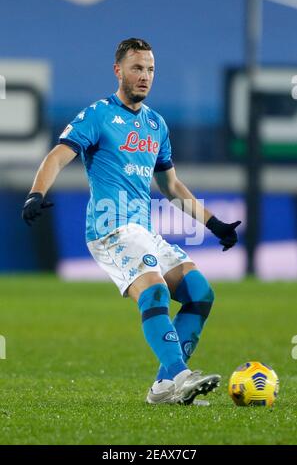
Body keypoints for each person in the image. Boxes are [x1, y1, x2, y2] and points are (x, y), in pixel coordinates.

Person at [22, 38, 241, 405]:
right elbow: (58, 157)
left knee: (200, 293)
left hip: (143, 229)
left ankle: (163, 387)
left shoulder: (156, 124)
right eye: (137, 68)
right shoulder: (98, 114)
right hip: (110, 229)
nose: (145, 76)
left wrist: (213, 223)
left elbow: (171, 185)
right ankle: (179, 373)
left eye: (151, 69)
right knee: (153, 289)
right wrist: (35, 193)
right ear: (118, 70)